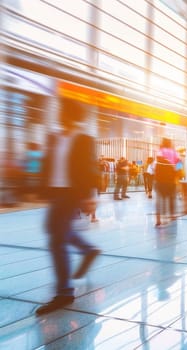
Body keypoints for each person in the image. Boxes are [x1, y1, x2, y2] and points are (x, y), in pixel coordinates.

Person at [37, 98, 101, 316]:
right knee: (56, 231)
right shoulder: (55, 137)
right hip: (56, 192)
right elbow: (48, 164)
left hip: (71, 193)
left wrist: (89, 196)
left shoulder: (83, 139)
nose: (58, 114)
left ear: (71, 114)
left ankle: (64, 292)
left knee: (56, 239)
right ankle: (88, 250)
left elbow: (89, 169)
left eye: (61, 111)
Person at [154, 138, 179, 227]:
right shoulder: (174, 152)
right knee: (172, 197)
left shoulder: (160, 151)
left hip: (160, 179)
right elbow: (179, 164)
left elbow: (158, 161)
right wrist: (176, 171)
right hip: (171, 180)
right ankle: (172, 216)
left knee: (159, 199)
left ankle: (158, 220)